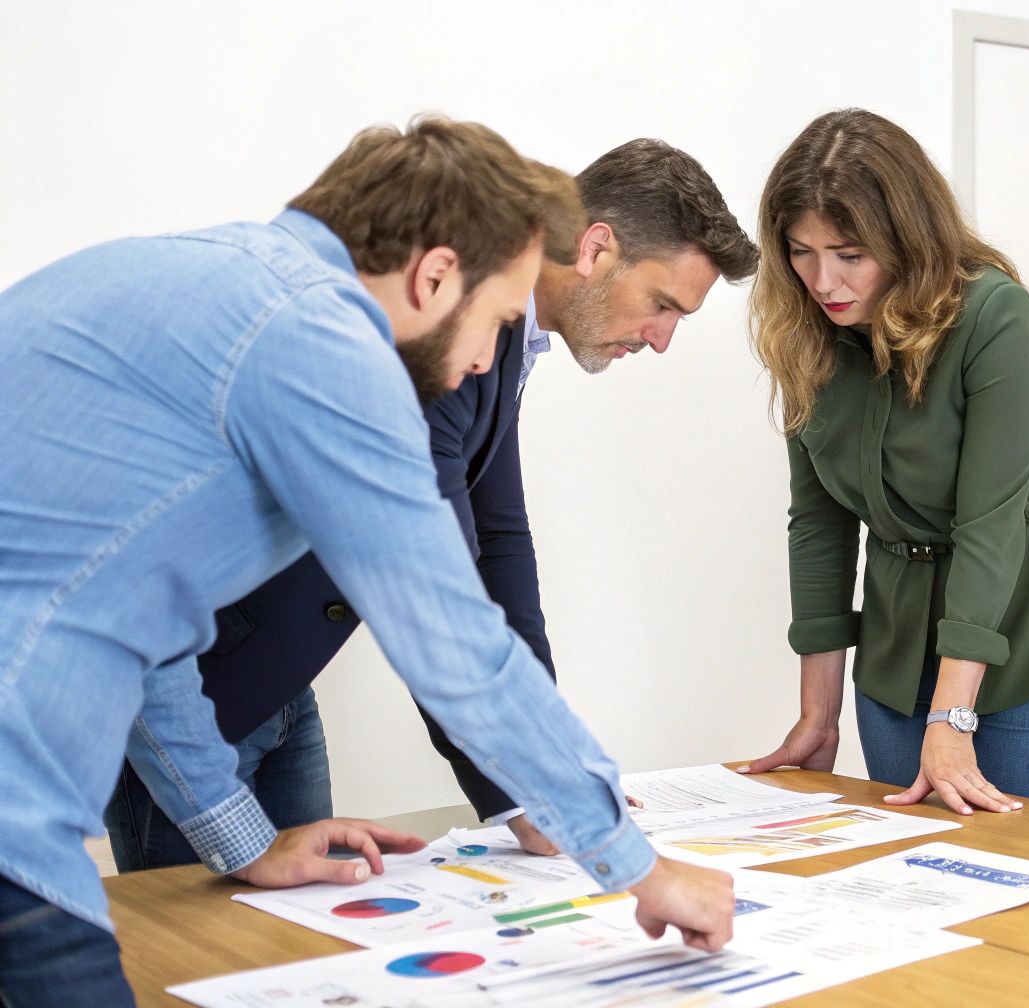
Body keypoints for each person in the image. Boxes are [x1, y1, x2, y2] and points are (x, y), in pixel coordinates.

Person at [0, 117, 730, 1008]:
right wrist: (638, 867)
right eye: (500, 322)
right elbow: (450, 639)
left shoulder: (222, 280)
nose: (484, 363)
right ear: (435, 277)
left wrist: (243, 840)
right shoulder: (319, 342)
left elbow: (146, 633)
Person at [103, 139, 758, 868]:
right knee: (190, 938)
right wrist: (536, 788)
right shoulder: (430, 331)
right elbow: (431, 589)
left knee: (306, 926)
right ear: (596, 248)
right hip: (190, 699)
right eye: (663, 305)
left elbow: (498, 546)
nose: (663, 340)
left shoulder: (501, 336)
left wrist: (549, 768)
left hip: (282, 685)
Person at [742, 109, 1029, 815]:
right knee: (906, 872)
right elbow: (819, 528)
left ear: (906, 238)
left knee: (1021, 874)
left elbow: (990, 524)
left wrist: (952, 718)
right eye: (801, 251)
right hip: (895, 670)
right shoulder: (807, 335)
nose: (823, 280)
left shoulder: (994, 316)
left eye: (849, 254)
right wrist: (818, 715)